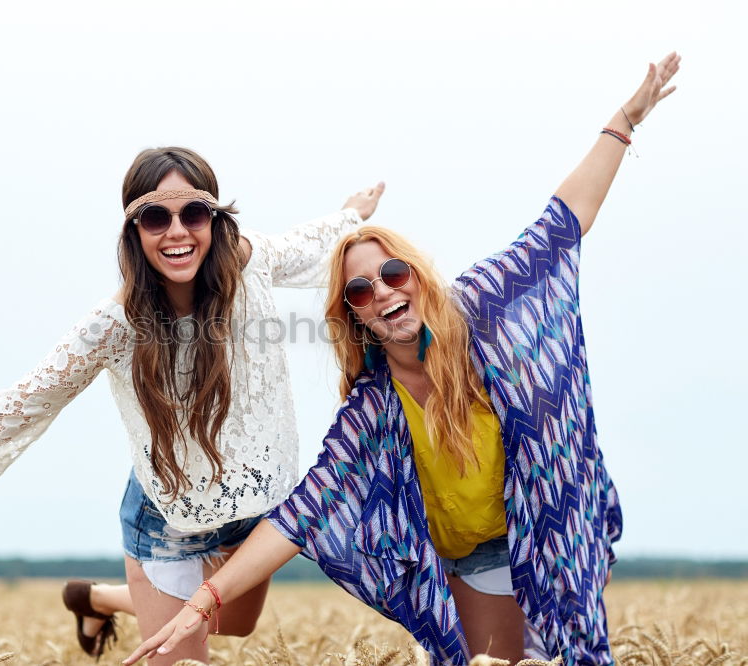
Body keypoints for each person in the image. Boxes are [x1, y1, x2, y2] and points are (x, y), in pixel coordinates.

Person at [122, 53, 680, 666]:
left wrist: (624, 121)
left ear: (416, 274)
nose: (382, 290)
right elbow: (302, 513)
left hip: (552, 526)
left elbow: (563, 222)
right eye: (360, 290)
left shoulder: (481, 307)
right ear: (355, 318)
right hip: (473, 556)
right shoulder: (374, 406)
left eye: (392, 272)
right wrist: (205, 601)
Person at [0, 146, 386, 665]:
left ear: (214, 219)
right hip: (168, 514)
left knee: (236, 624)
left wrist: (351, 215)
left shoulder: (249, 266)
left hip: (253, 507)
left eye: (193, 212)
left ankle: (96, 597)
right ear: (134, 229)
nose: (176, 230)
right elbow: (19, 404)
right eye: (156, 216)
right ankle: (139, 593)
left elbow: (313, 240)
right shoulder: (114, 324)